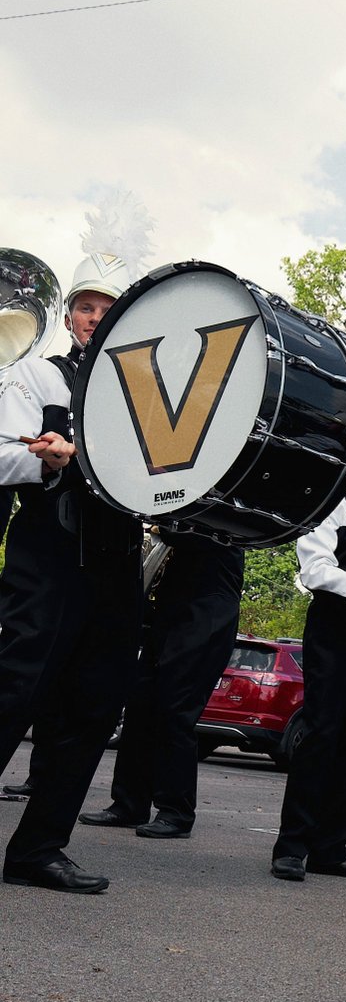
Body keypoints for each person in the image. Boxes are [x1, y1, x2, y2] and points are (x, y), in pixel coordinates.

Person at [0, 252, 143, 893]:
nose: (94, 317)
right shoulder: (35, 373)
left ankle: (39, 850)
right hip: (49, 556)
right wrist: (49, 463)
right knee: (13, 692)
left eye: (108, 309)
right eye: (86, 307)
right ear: (68, 315)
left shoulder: (148, 395)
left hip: (116, 564)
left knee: (91, 709)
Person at [269, 417, 346, 882]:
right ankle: (291, 845)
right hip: (334, 623)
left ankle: (332, 846)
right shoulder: (331, 498)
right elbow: (313, 570)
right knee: (322, 733)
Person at [77, 531, 245, 838]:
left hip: (206, 611)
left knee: (175, 711)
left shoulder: (223, 513)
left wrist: (159, 522)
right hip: (171, 608)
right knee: (141, 706)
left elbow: (191, 533)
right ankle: (129, 803)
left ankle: (176, 811)